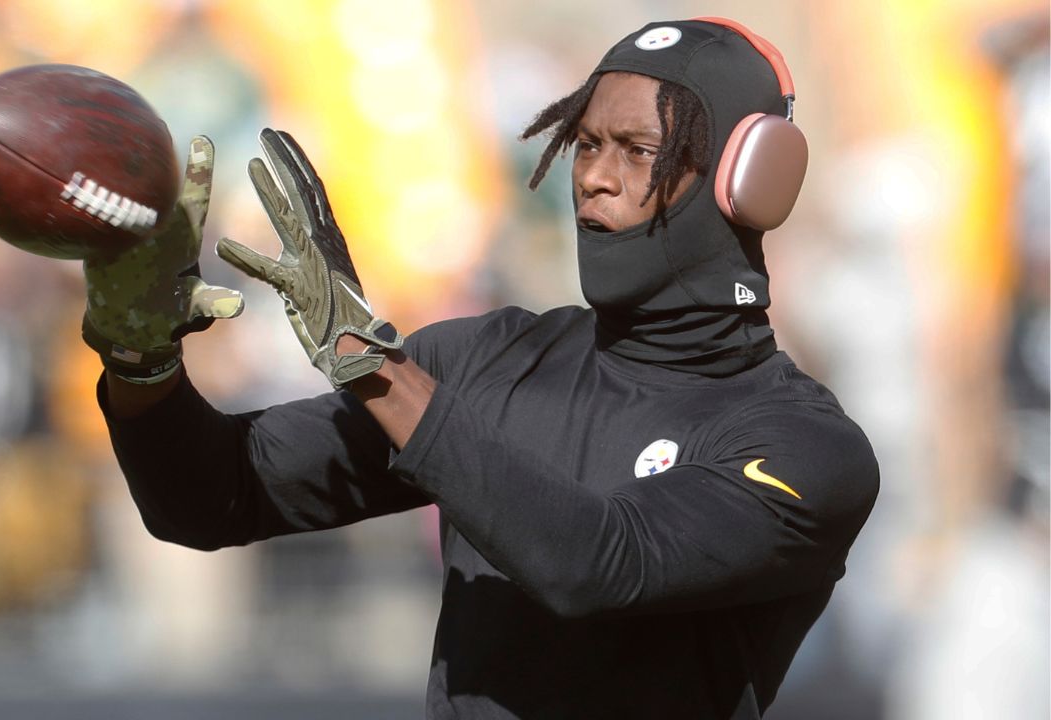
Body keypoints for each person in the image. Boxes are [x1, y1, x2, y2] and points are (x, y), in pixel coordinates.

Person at [81, 17, 879, 719]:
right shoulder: (484, 361)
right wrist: (141, 360)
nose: (595, 177)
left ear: (754, 183)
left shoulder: (808, 449)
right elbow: (208, 499)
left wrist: (376, 370)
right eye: (587, 143)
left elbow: (597, 565)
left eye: (641, 150)